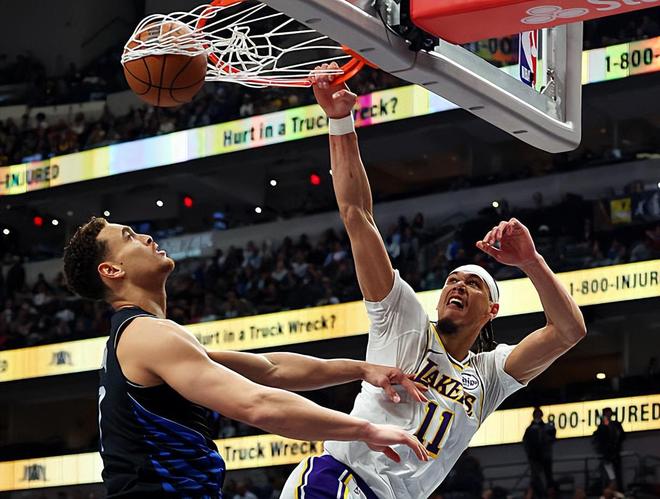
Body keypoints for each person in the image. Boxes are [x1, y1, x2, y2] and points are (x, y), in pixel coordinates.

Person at [281, 64, 587, 499]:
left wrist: (532, 262)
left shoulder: (490, 376)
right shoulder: (402, 318)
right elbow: (357, 215)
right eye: (451, 281)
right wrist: (340, 120)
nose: (457, 286)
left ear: (492, 311)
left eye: (473, 284)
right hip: (341, 480)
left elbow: (569, 332)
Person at [62, 218, 429, 498]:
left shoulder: (143, 338)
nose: (146, 237)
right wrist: (365, 430)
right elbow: (258, 404)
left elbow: (271, 369)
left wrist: (361, 369)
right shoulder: (147, 335)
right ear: (112, 271)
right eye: (129, 237)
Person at [523, 407, 556, 498]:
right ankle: (538, 494)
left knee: (547, 476)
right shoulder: (530, 429)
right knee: (536, 477)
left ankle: (548, 493)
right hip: (535, 457)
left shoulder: (546, 428)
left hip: (544, 456)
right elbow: (526, 443)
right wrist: (530, 454)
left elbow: (552, 438)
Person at [593, 407, 626, 491]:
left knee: (617, 473)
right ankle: (610, 490)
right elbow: (599, 439)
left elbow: (622, 436)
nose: (608, 415)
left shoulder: (616, 424)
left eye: (609, 413)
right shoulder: (602, 427)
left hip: (615, 452)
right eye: (607, 413)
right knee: (609, 474)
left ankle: (618, 489)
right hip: (607, 454)